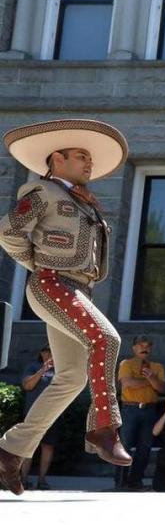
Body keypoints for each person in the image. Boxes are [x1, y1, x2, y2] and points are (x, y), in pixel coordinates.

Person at [0, 119, 133, 496]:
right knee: (106, 339)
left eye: (89, 158)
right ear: (56, 159)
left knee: (72, 377)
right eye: (81, 156)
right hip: (52, 284)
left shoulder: (81, 200)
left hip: (77, 290)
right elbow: (8, 230)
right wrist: (36, 264)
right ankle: (104, 428)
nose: (89, 163)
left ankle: (11, 450)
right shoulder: (42, 192)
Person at [116, 336, 165, 490]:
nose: (145, 348)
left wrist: (152, 377)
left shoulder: (157, 367)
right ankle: (120, 482)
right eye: (141, 345)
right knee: (124, 446)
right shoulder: (126, 364)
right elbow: (128, 383)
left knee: (145, 448)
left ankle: (135, 482)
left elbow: (161, 389)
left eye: (148, 345)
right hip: (130, 409)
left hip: (150, 409)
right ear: (134, 348)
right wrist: (151, 381)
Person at [19, 348, 57, 490]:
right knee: (29, 446)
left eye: (52, 351)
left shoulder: (60, 369)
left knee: (48, 446)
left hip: (52, 414)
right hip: (32, 414)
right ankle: (23, 479)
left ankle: (42, 480)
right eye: (46, 351)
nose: (49, 354)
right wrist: (42, 370)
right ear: (41, 353)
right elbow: (27, 386)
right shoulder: (32, 366)